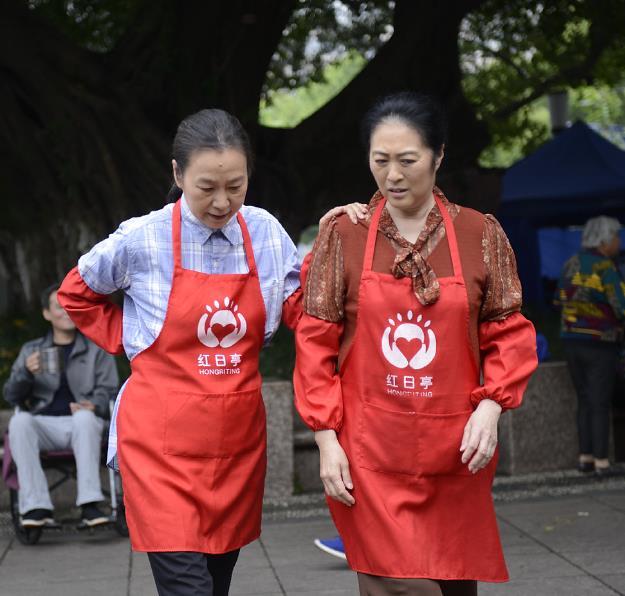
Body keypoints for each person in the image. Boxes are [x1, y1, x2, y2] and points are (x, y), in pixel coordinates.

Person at [57, 108, 364, 596]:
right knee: (189, 589)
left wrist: (332, 249)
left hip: (236, 443)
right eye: (206, 188)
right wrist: (128, 339)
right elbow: (76, 293)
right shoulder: (142, 238)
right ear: (177, 175)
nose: (222, 202)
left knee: (215, 584)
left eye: (235, 187)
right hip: (159, 446)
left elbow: (302, 311)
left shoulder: (264, 232)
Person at [294, 92, 538, 596]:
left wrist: (491, 407)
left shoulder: (479, 233)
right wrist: (325, 439)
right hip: (369, 452)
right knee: (397, 585)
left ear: (439, 155)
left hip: (455, 452)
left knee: (454, 586)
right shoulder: (345, 233)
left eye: (408, 160)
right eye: (380, 161)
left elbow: (507, 331)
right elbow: (316, 342)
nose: (393, 175)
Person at [4, 283, 118, 528]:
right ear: (46, 314)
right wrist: (25, 372)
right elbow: (11, 396)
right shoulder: (32, 350)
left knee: (84, 419)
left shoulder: (96, 347)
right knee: (20, 421)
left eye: (70, 305)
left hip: (85, 425)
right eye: (58, 306)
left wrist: (93, 405)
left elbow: (110, 390)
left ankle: (90, 505)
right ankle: (36, 507)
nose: (66, 311)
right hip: (44, 426)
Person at [556, 216, 625, 477]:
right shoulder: (606, 268)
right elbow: (621, 305)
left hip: (571, 340)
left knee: (584, 400)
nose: (619, 242)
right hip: (600, 342)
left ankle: (585, 457)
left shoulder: (570, 264)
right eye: (616, 237)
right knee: (599, 401)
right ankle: (601, 462)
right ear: (605, 241)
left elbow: (558, 299)